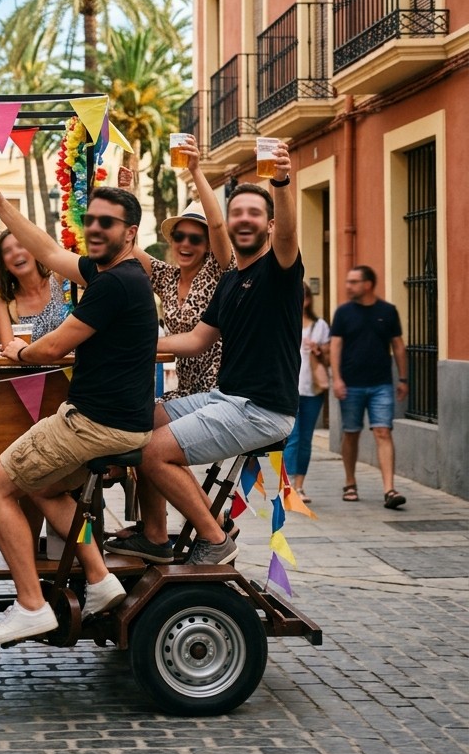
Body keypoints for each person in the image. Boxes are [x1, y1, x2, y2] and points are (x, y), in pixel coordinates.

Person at [0, 183, 158, 645]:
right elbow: (50, 251)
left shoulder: (114, 283)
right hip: (121, 423)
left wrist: (17, 350)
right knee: (42, 485)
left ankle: (31, 605)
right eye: (91, 220)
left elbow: (53, 347)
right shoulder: (110, 273)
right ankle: (100, 580)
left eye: (107, 223)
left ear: (130, 232)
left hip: (92, 423)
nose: (95, 228)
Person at [108, 144, 302, 567]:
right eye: (238, 213)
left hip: (261, 408)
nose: (244, 219)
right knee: (146, 419)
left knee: (152, 452)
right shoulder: (232, 280)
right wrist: (118, 342)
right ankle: (155, 535)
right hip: (225, 397)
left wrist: (282, 181)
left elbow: (287, 235)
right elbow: (194, 340)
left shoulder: (280, 270)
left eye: (255, 213)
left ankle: (215, 538)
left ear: (269, 225)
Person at [138, 135, 234, 400]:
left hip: (220, 392)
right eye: (179, 237)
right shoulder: (167, 277)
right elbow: (126, 247)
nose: (185, 244)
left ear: (207, 246)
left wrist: (195, 170)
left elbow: (217, 226)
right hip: (185, 391)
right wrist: (125, 195)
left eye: (195, 238)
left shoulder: (218, 270)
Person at [330, 265, 408, 509]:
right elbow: (335, 347)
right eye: (348, 281)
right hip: (351, 384)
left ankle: (389, 489)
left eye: (353, 282)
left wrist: (403, 378)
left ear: (368, 284)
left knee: (383, 432)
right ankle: (350, 482)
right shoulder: (343, 313)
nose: (348, 286)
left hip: (381, 384)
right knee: (351, 433)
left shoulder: (388, 311)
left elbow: (398, 346)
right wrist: (338, 379)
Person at [283, 283, 330, 503]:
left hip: (312, 390)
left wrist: (319, 350)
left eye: (303, 297)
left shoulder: (320, 326)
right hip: (288, 389)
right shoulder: (282, 322)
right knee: (292, 438)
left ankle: (299, 486)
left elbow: (329, 358)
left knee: (306, 439)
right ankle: (288, 487)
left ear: (309, 300)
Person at [0, 230, 65, 345]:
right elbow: (9, 350)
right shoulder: (3, 304)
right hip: (25, 363)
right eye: (7, 251)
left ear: (34, 250)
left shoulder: (62, 279)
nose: (15, 253)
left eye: (21, 245)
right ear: (4, 265)